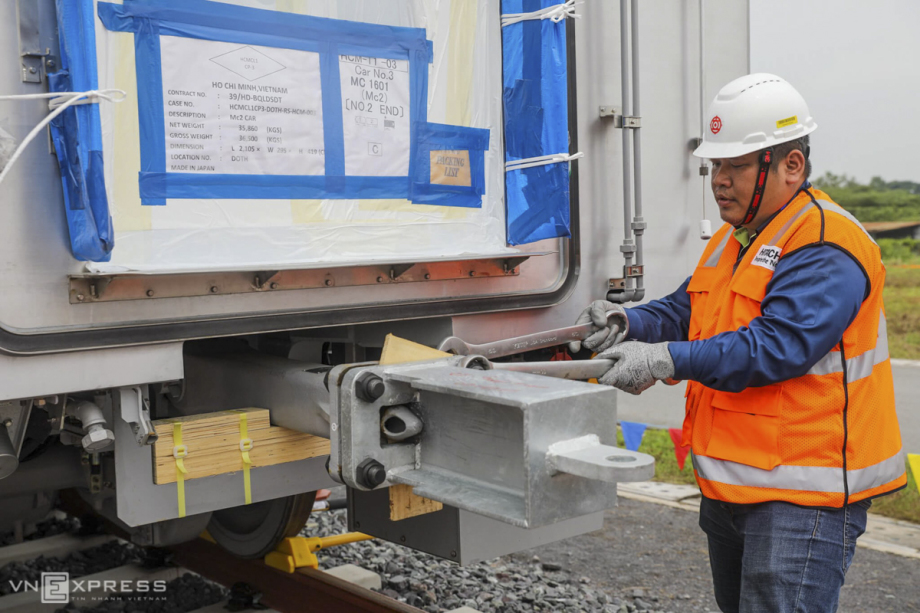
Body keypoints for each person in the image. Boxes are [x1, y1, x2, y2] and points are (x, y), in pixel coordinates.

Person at [571, 73, 906, 613]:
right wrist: (631, 323)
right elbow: (688, 308)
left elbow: (777, 347)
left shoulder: (825, 243)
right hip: (732, 488)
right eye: (715, 166)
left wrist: (662, 359)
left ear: (791, 166)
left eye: (737, 166)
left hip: (802, 499)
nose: (719, 181)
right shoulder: (737, 236)